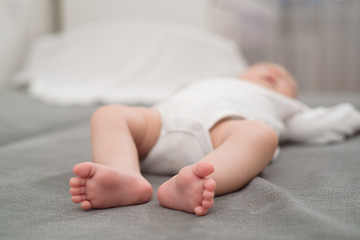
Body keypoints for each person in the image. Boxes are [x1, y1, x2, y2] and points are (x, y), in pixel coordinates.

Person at [69, 62, 360, 216]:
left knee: (262, 135)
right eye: (265, 67)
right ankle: (125, 175)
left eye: (285, 79)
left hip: (219, 139)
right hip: (159, 128)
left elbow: (327, 124)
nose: (275, 73)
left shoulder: (287, 109)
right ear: (240, 73)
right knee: (109, 114)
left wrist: (350, 117)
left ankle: (193, 182)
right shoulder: (213, 82)